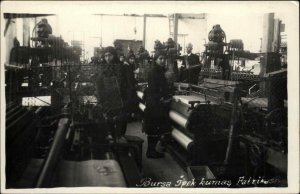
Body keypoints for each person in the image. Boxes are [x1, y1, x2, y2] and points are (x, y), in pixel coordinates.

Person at [95, 46, 131, 142]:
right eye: (105, 56)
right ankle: (111, 136)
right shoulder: (102, 68)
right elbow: (99, 85)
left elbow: (127, 84)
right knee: (109, 120)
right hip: (108, 99)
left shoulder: (122, 67)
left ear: (114, 55)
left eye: (110, 55)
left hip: (120, 99)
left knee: (121, 120)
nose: (107, 58)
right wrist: (101, 99)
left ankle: (120, 136)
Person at [144, 51, 171, 158]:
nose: (163, 60)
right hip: (154, 104)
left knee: (155, 128)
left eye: (164, 58)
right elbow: (153, 89)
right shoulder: (154, 72)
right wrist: (163, 97)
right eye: (160, 58)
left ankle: (152, 151)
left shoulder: (159, 71)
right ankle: (150, 152)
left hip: (155, 102)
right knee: (153, 128)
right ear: (155, 60)